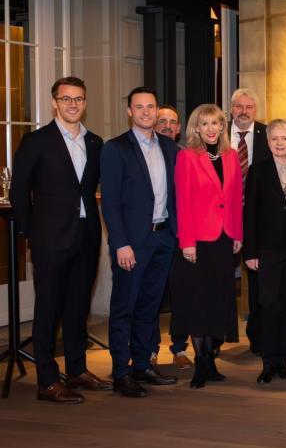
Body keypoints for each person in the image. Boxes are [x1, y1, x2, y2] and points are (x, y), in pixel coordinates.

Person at [10, 76, 107, 404]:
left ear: (85, 102)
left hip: (87, 235)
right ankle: (47, 381)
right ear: (54, 102)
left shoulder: (95, 142)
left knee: (79, 307)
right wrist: (29, 232)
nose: (73, 105)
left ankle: (77, 369)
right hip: (50, 238)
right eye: (66, 99)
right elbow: (18, 191)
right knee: (48, 309)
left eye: (78, 99)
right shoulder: (36, 141)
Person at [101, 86, 181, 397]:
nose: (146, 112)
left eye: (151, 107)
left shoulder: (169, 147)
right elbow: (110, 201)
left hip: (163, 239)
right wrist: (120, 243)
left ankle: (143, 366)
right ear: (129, 111)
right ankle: (121, 371)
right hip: (132, 243)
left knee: (149, 307)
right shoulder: (115, 148)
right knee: (125, 306)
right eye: (140, 107)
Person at [171, 103, 244, 389]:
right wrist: (187, 242)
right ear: (196, 128)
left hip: (225, 240)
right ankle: (201, 364)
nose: (211, 129)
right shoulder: (187, 157)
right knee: (199, 304)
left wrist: (237, 233)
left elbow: (236, 198)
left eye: (216, 124)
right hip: (199, 241)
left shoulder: (230, 156)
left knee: (219, 302)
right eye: (205, 124)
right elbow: (183, 203)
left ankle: (212, 360)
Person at [244, 119, 286, 383]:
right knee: (268, 304)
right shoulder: (258, 171)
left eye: (285, 138)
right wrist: (250, 252)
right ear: (268, 142)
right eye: (275, 139)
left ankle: (282, 361)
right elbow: (249, 213)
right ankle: (268, 362)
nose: (280, 143)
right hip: (267, 250)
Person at [230, 88, 269, 355]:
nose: (244, 111)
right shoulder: (217, 134)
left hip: (259, 219)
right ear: (231, 109)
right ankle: (217, 337)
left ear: (256, 110)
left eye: (249, 107)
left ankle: (258, 337)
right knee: (220, 279)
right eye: (239, 106)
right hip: (225, 218)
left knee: (258, 281)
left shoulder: (268, 135)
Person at [155, 104, 191, 367]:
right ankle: (149, 349)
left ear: (179, 129)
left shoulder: (186, 157)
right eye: (162, 121)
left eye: (172, 122)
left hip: (181, 237)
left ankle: (179, 349)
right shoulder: (140, 153)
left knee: (181, 296)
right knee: (152, 296)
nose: (167, 126)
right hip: (153, 237)